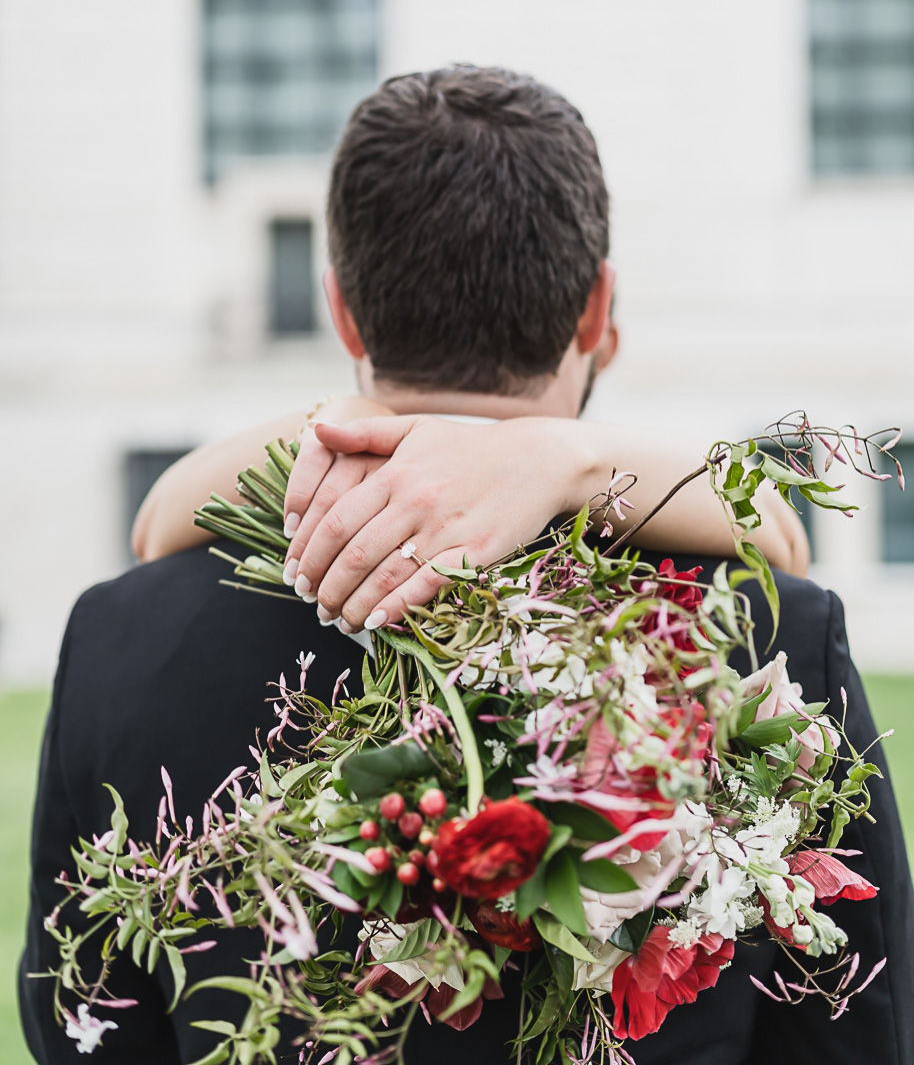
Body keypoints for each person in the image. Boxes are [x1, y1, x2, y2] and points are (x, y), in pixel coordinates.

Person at [20, 67, 912, 1064]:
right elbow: (852, 1031)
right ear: (595, 311)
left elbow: (83, 1023)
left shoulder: (121, 636)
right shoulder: (770, 631)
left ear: (343, 314)